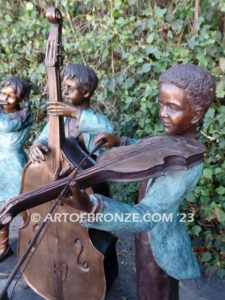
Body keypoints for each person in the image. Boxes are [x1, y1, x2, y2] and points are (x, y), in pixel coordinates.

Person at [62, 64, 215, 300]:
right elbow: (152, 148)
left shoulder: (187, 163)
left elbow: (145, 216)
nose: (163, 113)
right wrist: (122, 141)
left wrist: (92, 205)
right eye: (161, 104)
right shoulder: (174, 139)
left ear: (196, 114)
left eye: (172, 107)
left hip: (159, 241)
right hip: (147, 238)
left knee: (155, 291)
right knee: (144, 285)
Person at [29, 64, 114, 163]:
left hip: (87, 172)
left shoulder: (95, 119)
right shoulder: (61, 118)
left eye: (71, 89)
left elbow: (108, 129)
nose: (65, 92)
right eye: (64, 87)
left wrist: (76, 113)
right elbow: (43, 138)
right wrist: (37, 145)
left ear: (86, 93)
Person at [0, 76, 32, 262]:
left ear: (21, 100)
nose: (4, 98)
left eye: (10, 96)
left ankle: (33, 241)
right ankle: (3, 248)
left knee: (22, 205)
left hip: (13, 165)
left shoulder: (23, 116)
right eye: (2, 93)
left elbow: (6, 126)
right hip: (1, 165)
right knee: (1, 210)